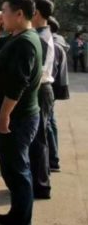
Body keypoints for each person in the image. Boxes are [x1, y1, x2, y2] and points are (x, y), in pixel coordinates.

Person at [0, 0, 42, 225]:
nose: (2, 15)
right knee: (11, 170)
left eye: (5, 12)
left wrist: (4, 115)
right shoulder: (18, 37)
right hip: (13, 117)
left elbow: (19, 84)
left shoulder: (25, 43)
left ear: (19, 14)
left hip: (17, 119)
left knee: (18, 173)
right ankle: (16, 216)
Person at [30, 0, 55, 199]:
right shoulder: (42, 33)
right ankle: (40, 182)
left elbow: (35, 73)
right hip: (42, 89)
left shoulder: (40, 37)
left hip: (39, 90)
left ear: (36, 13)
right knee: (39, 138)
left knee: (37, 140)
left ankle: (40, 185)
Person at [48, 17, 70, 173]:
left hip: (50, 87)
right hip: (56, 86)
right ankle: (53, 158)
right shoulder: (59, 40)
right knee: (50, 121)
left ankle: (53, 160)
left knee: (48, 123)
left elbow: (50, 71)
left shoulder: (53, 44)